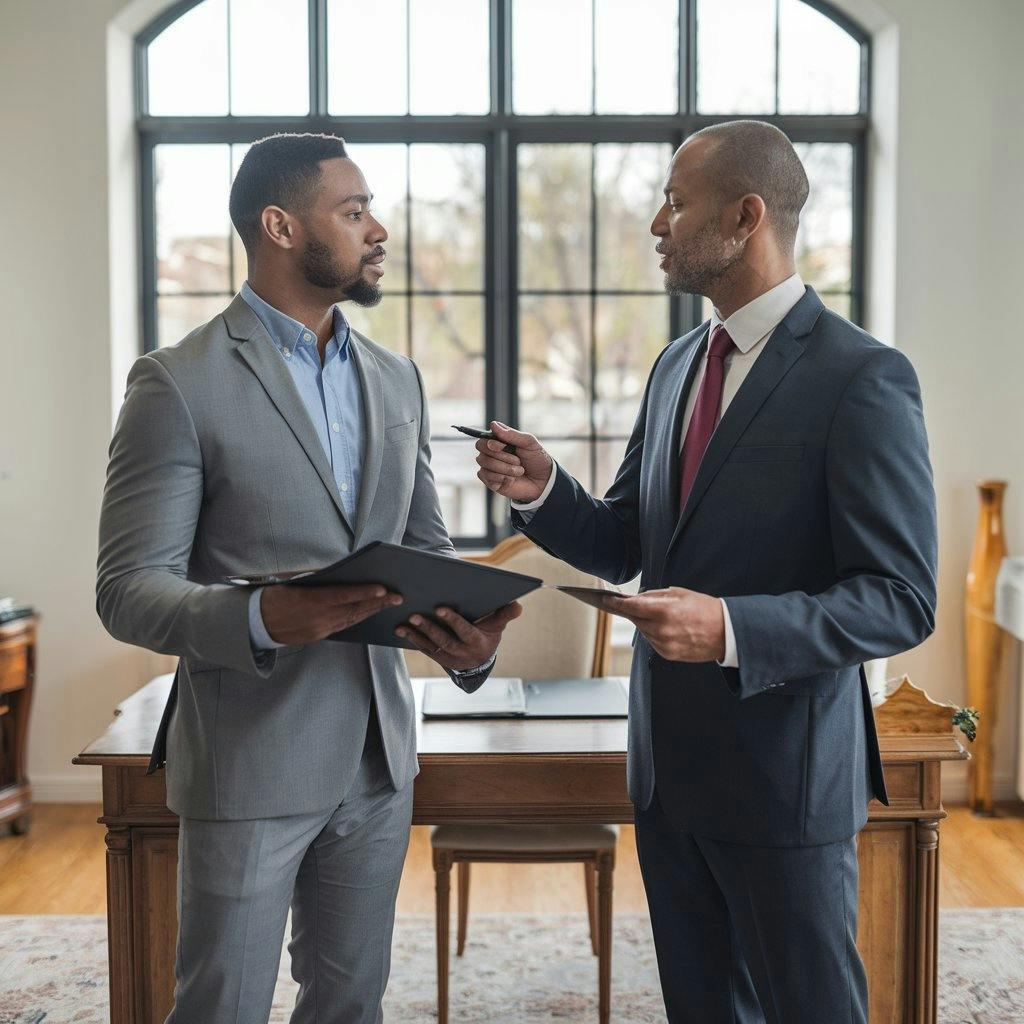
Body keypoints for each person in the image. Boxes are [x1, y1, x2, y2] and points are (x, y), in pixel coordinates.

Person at [474, 120, 937, 1023]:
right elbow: (626, 541)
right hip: (667, 775)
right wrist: (544, 491)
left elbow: (900, 597)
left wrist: (730, 628)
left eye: (676, 203)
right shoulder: (679, 362)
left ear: (745, 216)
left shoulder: (863, 378)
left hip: (784, 782)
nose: (656, 223)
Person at [96, 132, 521, 1024]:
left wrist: (468, 642)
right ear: (281, 226)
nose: (380, 231)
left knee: (349, 1003)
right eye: (355, 210)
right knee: (223, 1005)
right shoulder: (176, 383)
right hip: (250, 757)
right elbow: (129, 586)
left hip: (377, 762)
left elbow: (425, 550)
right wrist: (262, 618)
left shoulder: (396, 378)